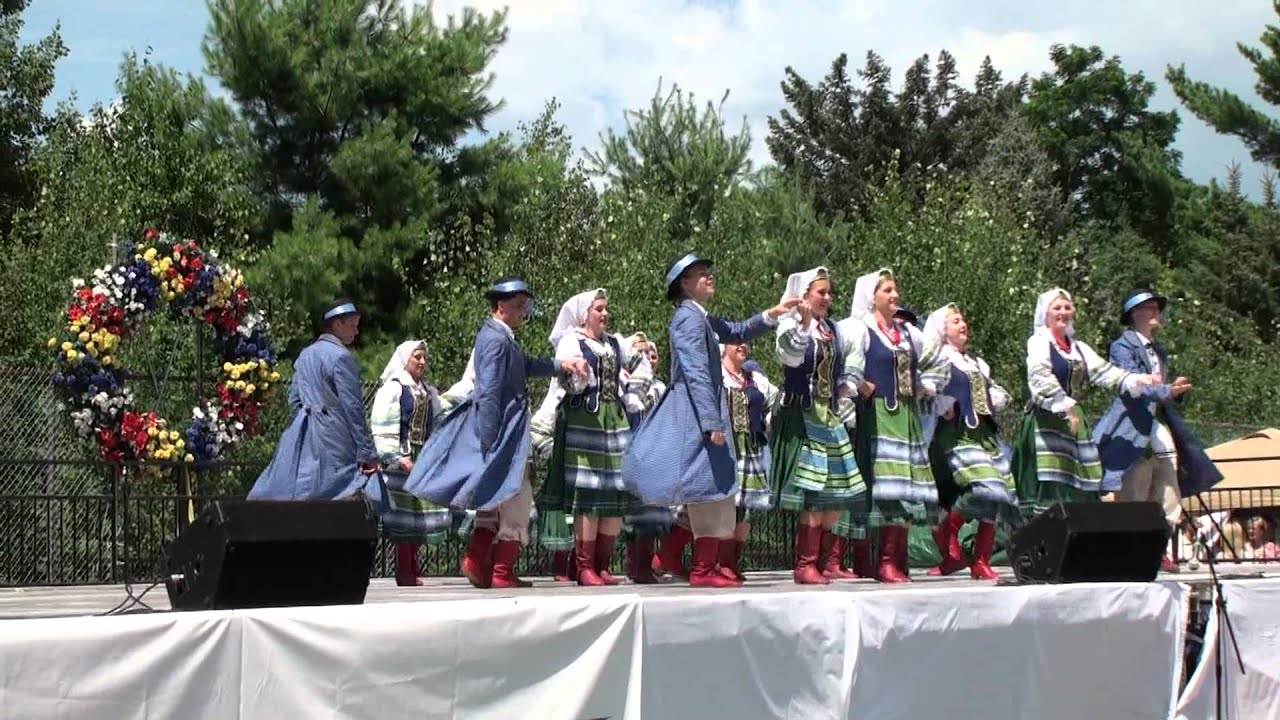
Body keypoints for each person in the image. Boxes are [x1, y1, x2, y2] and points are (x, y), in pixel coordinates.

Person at [623, 253, 798, 588]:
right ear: (684, 284)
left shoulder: (697, 316)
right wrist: (711, 422)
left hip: (701, 408)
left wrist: (773, 314)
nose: (709, 276)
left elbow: (736, 330)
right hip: (695, 409)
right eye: (701, 273)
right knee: (707, 485)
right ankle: (703, 569)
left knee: (714, 485)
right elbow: (696, 372)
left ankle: (705, 564)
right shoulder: (688, 319)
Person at [404, 278, 589, 589]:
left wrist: (562, 365)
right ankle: (501, 572)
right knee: (518, 498)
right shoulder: (495, 339)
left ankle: (477, 562)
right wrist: (489, 443)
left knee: (493, 498)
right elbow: (489, 392)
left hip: (504, 432)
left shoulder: (500, 336)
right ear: (500, 305)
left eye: (525, 306)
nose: (523, 312)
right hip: (503, 434)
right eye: (518, 306)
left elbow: (526, 365)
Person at [1093, 289, 1221, 573]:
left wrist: (1174, 391)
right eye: (1149, 308)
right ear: (1134, 314)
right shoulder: (1121, 346)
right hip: (1132, 425)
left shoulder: (1159, 350)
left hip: (1158, 423)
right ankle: (1130, 552)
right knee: (1135, 488)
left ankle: (1157, 549)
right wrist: (1165, 390)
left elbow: (1159, 390)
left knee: (1168, 486)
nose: (1156, 313)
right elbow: (1132, 384)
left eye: (1157, 308)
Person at [1012, 288, 1155, 517]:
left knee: (1080, 479)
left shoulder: (1078, 348)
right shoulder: (1039, 342)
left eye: (1067, 307)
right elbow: (1039, 377)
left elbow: (1104, 372)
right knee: (1051, 479)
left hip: (1074, 421)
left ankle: (1076, 528)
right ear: (1045, 314)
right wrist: (1064, 404)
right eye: (1057, 308)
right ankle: (1045, 527)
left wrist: (1137, 379)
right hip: (1046, 420)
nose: (1063, 312)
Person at [538, 289, 644, 586]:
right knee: (587, 491)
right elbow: (566, 380)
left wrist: (633, 392)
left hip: (615, 421)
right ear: (585, 314)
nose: (605, 313)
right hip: (585, 420)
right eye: (599, 309)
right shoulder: (572, 341)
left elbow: (643, 362)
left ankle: (602, 565)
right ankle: (584, 566)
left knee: (615, 489)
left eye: (606, 308)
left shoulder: (616, 343)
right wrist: (578, 379)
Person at [838, 269, 938, 584]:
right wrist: (861, 386)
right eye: (887, 291)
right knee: (887, 487)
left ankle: (898, 559)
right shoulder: (861, 330)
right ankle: (884, 561)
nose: (895, 295)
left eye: (895, 290)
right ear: (872, 297)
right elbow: (844, 364)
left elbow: (931, 361)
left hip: (906, 417)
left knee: (906, 487)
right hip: (880, 416)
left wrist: (923, 387)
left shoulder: (908, 334)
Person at [772, 267, 865, 584]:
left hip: (830, 414)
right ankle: (805, 565)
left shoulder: (833, 330)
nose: (827, 297)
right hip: (804, 414)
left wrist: (848, 382)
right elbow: (790, 357)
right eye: (820, 292)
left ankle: (823, 562)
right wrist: (804, 322)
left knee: (836, 493)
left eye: (829, 293)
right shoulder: (790, 326)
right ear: (804, 295)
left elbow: (853, 355)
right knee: (814, 491)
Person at [249, 299, 382, 504]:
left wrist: (305, 422)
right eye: (353, 325)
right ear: (337, 324)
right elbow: (353, 408)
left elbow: (294, 400)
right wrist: (367, 453)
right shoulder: (342, 357)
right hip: (335, 437)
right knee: (340, 492)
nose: (356, 332)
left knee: (301, 490)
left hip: (303, 432)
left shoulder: (305, 355)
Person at [920, 304, 1018, 581]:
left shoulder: (977, 363)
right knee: (988, 486)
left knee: (1001, 494)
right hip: (956, 434)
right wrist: (941, 403)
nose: (962, 324)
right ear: (943, 329)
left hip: (985, 435)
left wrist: (996, 397)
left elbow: (993, 390)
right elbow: (924, 388)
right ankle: (949, 530)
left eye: (963, 320)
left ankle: (981, 562)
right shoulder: (940, 360)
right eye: (955, 321)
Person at [370, 340, 448, 586]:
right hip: (403, 458)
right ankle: (404, 570)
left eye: (425, 358)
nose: (423, 362)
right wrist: (395, 457)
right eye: (417, 357)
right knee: (404, 515)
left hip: (422, 457)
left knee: (420, 514)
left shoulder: (427, 391)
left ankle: (413, 566)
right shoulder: (394, 388)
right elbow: (383, 423)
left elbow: (439, 419)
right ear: (406, 360)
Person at [720, 339, 779, 581]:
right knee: (727, 506)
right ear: (724, 348)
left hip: (751, 446)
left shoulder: (754, 379)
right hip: (727, 448)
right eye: (737, 342)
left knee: (746, 509)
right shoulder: (718, 376)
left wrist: (768, 420)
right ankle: (722, 561)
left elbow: (776, 399)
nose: (743, 346)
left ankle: (733, 561)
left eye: (745, 343)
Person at [619, 332, 675, 584]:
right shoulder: (623, 384)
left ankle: (644, 563)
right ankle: (634, 564)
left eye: (651, 354)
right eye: (641, 353)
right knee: (634, 511)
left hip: (656, 454)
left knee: (654, 511)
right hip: (631, 451)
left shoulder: (660, 388)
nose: (648, 358)